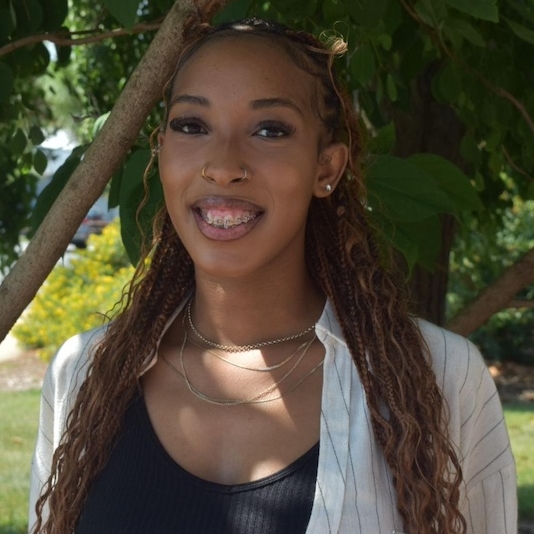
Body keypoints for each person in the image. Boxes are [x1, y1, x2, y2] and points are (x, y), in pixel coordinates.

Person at [28, 18, 516, 534]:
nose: (223, 165)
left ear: (326, 168)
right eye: (192, 125)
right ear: (162, 150)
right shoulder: (83, 374)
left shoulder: (437, 378)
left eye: (270, 130)